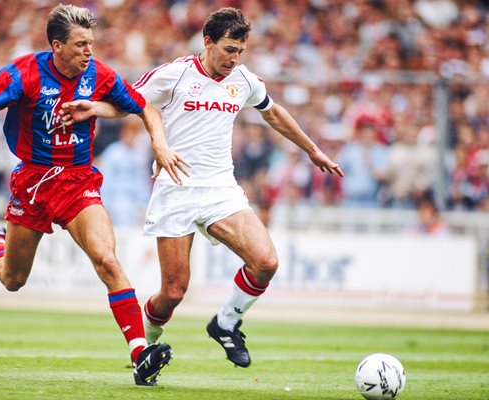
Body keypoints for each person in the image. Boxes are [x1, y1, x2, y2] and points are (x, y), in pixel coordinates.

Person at [0, 4, 190, 386]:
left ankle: (139, 353)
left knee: (106, 259)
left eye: (91, 43)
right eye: (81, 44)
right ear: (57, 45)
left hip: (78, 181)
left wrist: (160, 144)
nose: (90, 51)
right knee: (13, 280)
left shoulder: (99, 74)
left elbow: (145, 109)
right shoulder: (23, 73)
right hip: (33, 184)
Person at [59, 7, 343, 368]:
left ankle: (226, 323)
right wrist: (95, 108)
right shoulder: (175, 75)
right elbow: (132, 103)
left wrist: (312, 149)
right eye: (228, 49)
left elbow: (273, 113)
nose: (234, 59)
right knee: (173, 292)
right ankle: (144, 345)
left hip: (220, 189)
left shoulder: (244, 80)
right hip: (175, 189)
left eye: (240, 51)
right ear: (208, 42)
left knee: (266, 262)